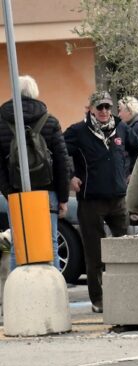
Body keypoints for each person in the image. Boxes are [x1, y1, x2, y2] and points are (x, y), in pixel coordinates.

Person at [65, 91, 138, 313]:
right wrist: (70, 175)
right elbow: (59, 152)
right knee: (94, 253)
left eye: (107, 107)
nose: (104, 111)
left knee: (123, 250)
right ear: (90, 108)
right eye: (99, 107)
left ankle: (126, 295)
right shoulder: (78, 131)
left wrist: (131, 174)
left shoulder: (121, 128)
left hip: (118, 199)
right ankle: (98, 299)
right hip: (91, 201)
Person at [0, 75, 72, 270]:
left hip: (17, 192)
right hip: (47, 191)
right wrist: (63, 197)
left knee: (18, 245)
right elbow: (61, 162)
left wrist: (8, 193)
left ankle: (20, 294)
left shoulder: (1, 122)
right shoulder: (50, 121)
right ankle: (55, 293)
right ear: (34, 92)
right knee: (51, 244)